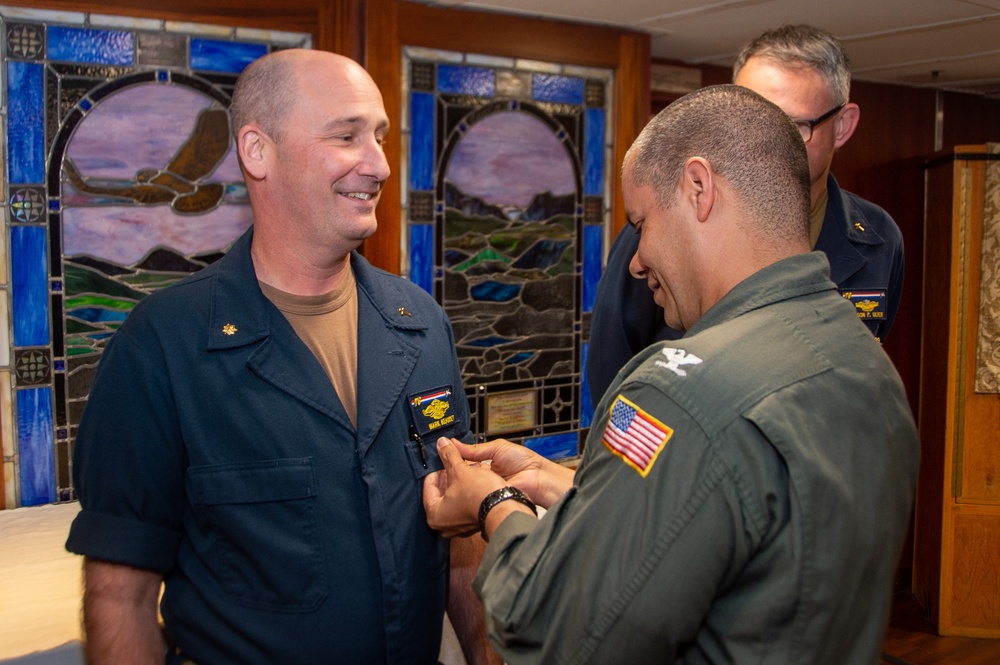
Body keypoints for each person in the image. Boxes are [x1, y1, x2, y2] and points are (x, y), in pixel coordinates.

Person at [423, 84, 919, 665]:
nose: (634, 259)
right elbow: (748, 536)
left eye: (641, 223)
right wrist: (566, 488)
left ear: (699, 188)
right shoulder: (865, 359)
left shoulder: (678, 393)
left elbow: (556, 629)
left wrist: (495, 504)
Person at [65, 49, 497, 665]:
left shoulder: (420, 322)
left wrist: (485, 655)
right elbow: (121, 597)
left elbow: (456, 535)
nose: (377, 164)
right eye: (346, 136)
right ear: (257, 151)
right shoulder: (162, 346)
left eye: (378, 136)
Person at [587, 24, 905, 404]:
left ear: (843, 126)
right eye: (745, 121)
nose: (763, 140)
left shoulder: (877, 237)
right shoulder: (656, 233)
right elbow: (614, 373)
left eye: (793, 124)